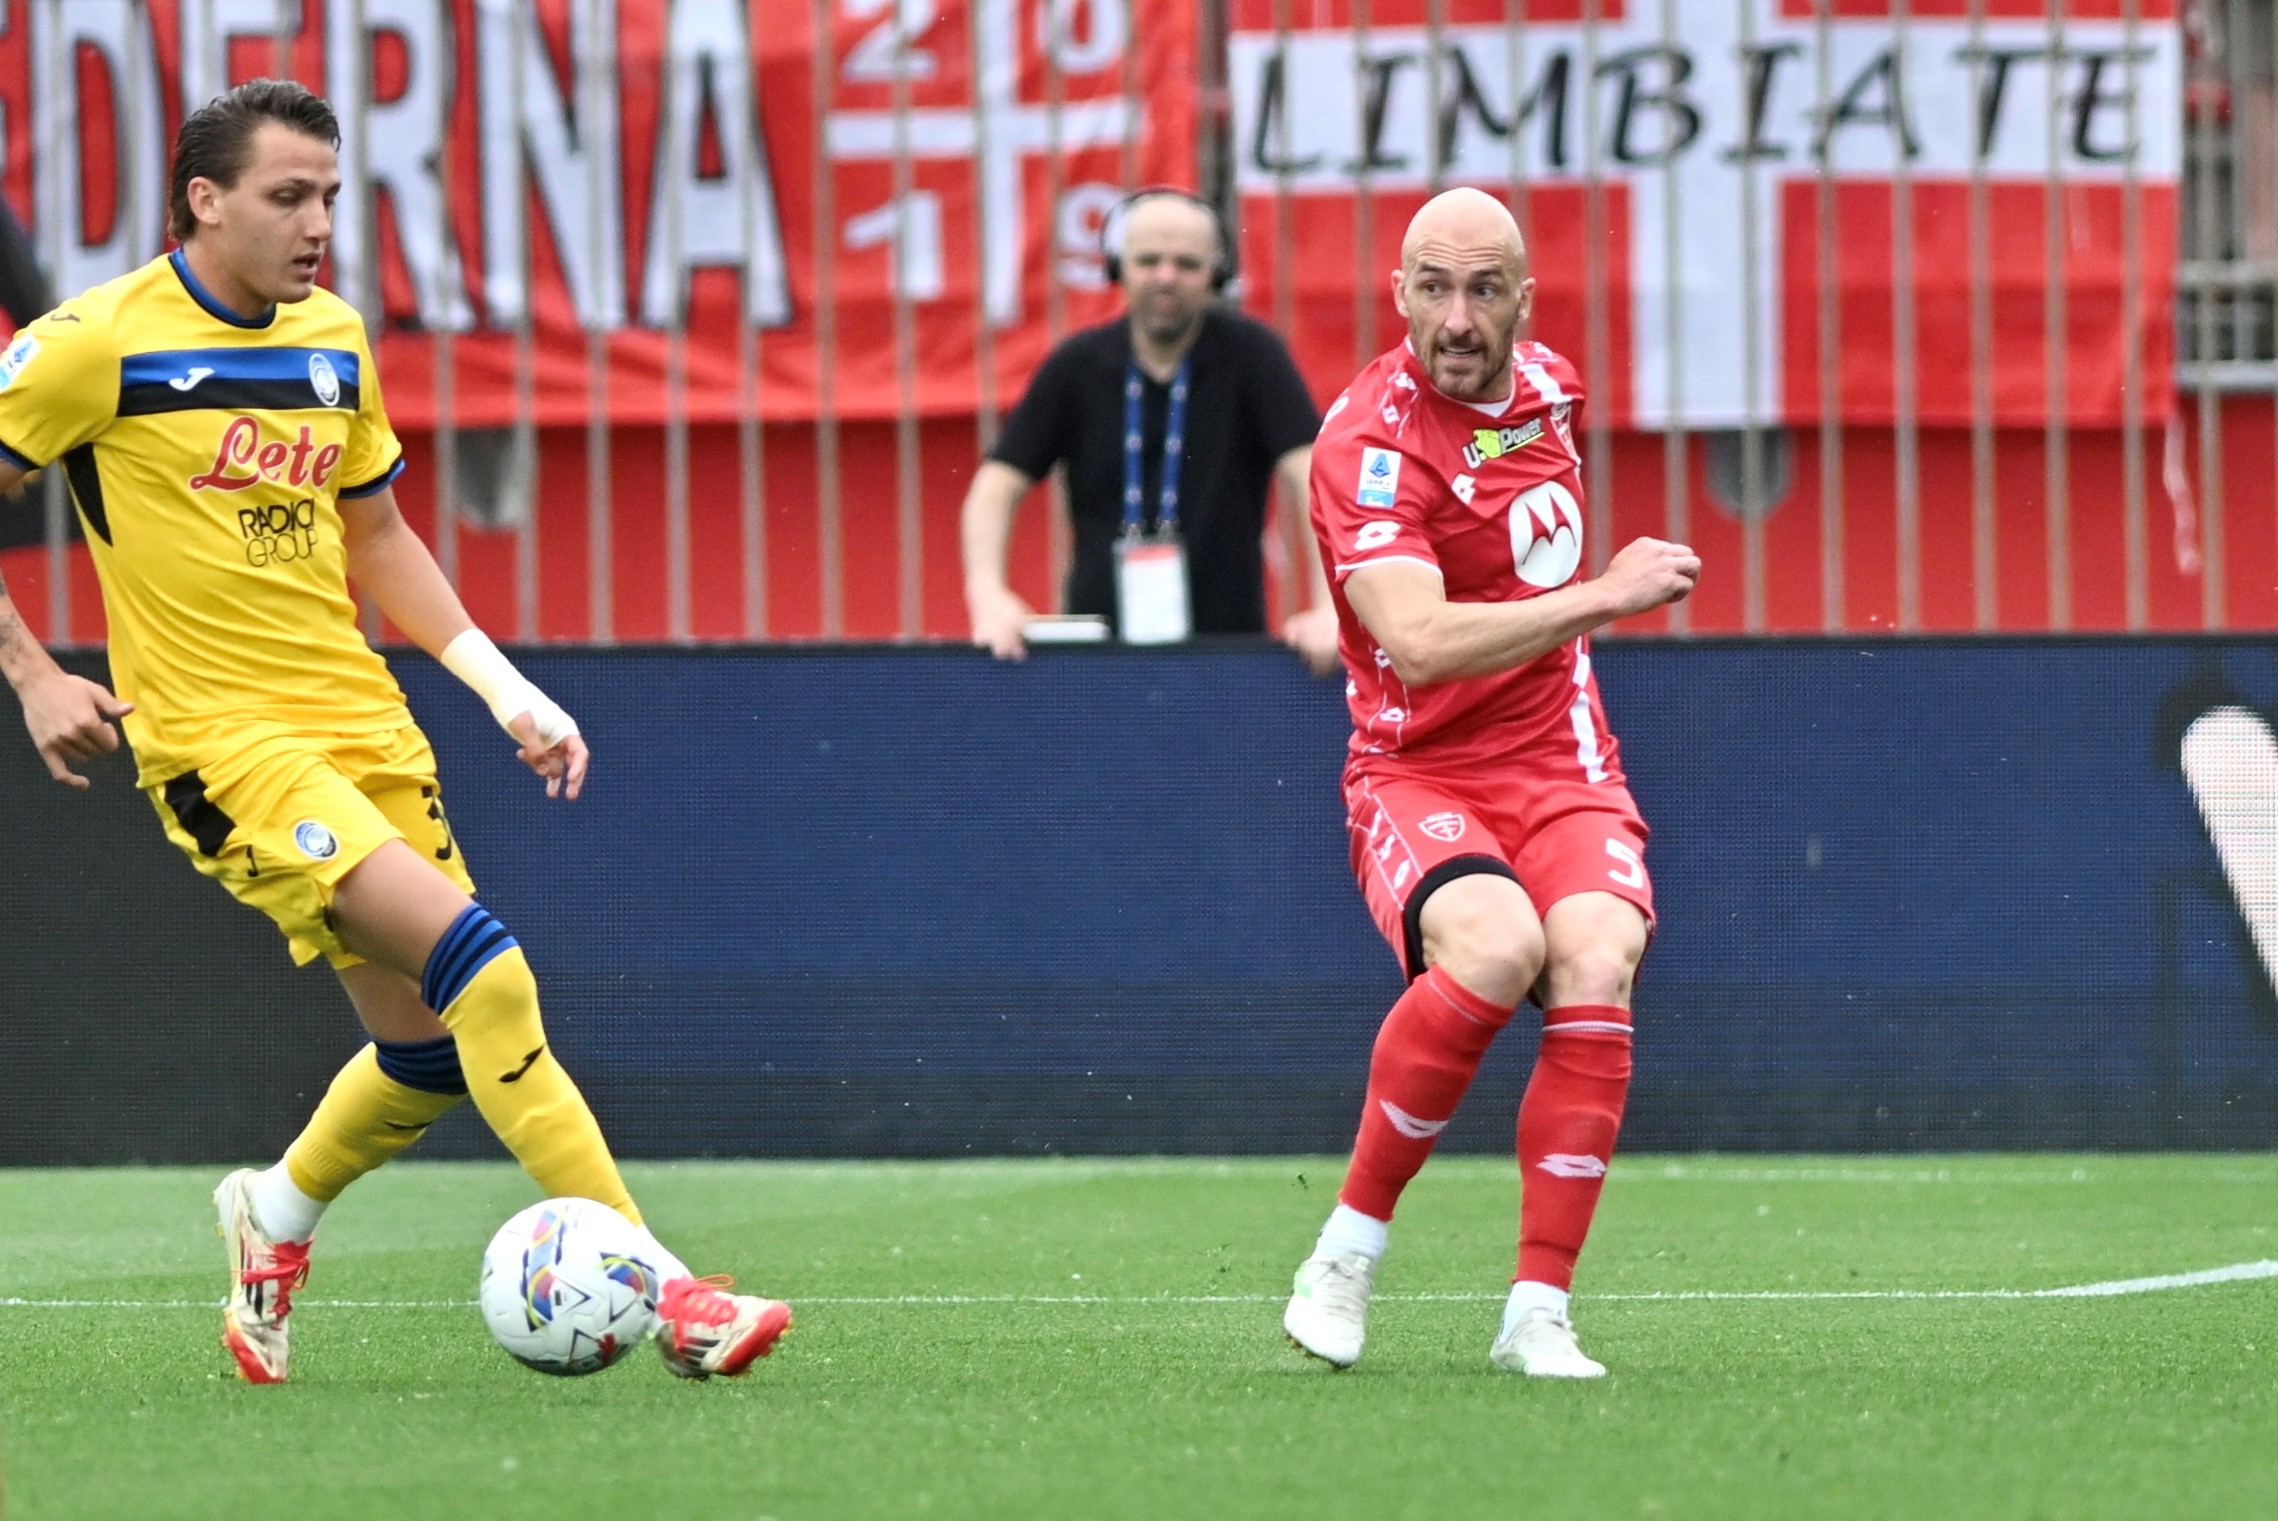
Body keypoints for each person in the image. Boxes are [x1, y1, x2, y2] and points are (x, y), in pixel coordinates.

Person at [0, 80, 789, 1384]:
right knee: (491, 974)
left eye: (328, 195)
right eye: (287, 196)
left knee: (423, 1055)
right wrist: (33, 675)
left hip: (365, 726)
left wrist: (502, 688)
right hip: (223, 747)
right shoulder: (94, 345)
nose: (318, 223)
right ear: (204, 200)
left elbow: (377, 535)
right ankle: (676, 1296)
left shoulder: (332, 339)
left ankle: (273, 1211)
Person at [1281, 188, 1700, 1378]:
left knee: (1596, 959)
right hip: (1419, 767)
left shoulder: (1550, 390)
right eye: (1433, 288)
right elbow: (1415, 642)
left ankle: (1536, 1312)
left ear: (1524, 299)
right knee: (1498, 946)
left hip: (1560, 757)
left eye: (1482, 290)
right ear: (1399, 294)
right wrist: (1604, 596)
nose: (1457, 318)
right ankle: (1345, 1253)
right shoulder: (1367, 445)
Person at [961, 188, 1338, 672]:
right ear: (1117, 267)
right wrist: (988, 594)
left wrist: (1332, 608)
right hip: (1098, 653)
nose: (1166, 276)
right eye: (1148, 260)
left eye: (1187, 264)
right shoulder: (1077, 364)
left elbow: (1315, 474)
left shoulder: (1253, 355)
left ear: (1217, 273)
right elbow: (996, 485)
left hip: (1229, 651)